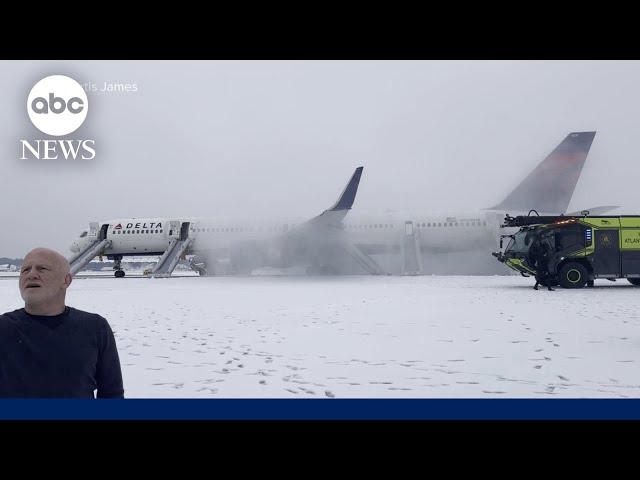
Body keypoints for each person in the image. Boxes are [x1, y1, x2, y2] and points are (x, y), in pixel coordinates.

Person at [0, 248, 124, 398]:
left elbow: (112, 394)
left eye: (42, 269)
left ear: (66, 280)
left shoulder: (95, 328)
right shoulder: (4, 328)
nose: (31, 274)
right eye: (25, 270)